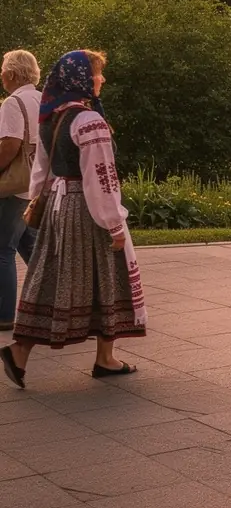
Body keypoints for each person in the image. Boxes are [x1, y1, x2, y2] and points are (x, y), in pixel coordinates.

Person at [1, 51, 145, 390]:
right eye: (97, 73)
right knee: (108, 275)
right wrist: (114, 223)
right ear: (81, 78)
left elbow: (41, 171)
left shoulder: (53, 116)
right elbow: (101, 178)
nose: (101, 79)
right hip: (88, 209)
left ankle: (21, 351)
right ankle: (104, 358)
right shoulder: (89, 121)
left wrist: (45, 203)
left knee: (55, 277)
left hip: (59, 205)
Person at [0, 51, 42, 331]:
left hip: (15, 186)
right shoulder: (42, 99)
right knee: (33, 248)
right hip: (36, 184)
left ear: (12, 74)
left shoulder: (13, 103)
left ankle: (4, 315)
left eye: (3, 70)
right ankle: (56, 306)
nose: (1, 75)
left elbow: (10, 145)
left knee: (2, 249)